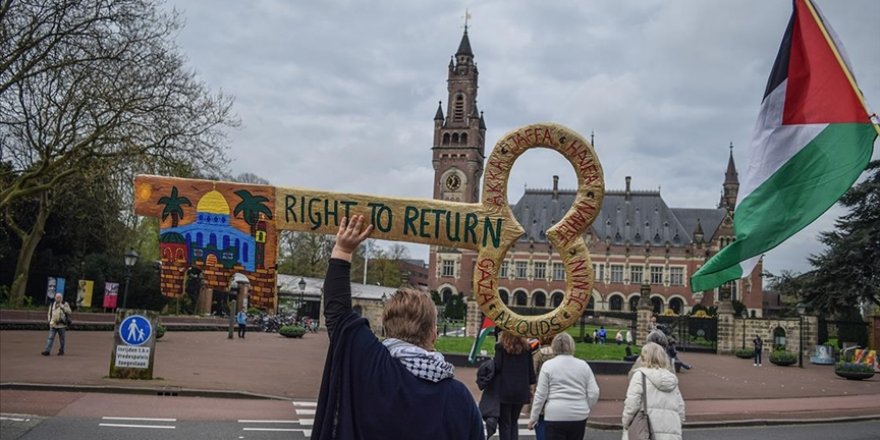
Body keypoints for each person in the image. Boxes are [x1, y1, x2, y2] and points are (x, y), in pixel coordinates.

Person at [312, 215, 484, 440]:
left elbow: (337, 313)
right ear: (434, 334)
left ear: (386, 328)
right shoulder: (459, 397)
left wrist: (342, 250)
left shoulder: (370, 364)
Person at [528, 333, 600, 440]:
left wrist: (534, 417)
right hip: (578, 414)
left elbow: (541, 394)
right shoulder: (583, 365)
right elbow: (594, 392)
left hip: (554, 413)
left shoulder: (548, 366)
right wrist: (586, 406)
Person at [621, 342, 685, 440]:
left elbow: (631, 404)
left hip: (646, 431)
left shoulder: (640, 376)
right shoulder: (672, 380)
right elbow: (680, 408)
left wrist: (626, 422)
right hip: (671, 431)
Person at [494, 331, 536, 440]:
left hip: (505, 390)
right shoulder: (526, 348)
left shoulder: (500, 347)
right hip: (521, 391)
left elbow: (497, 367)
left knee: (505, 423)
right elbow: (531, 372)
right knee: (514, 421)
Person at [531, 337, 556, 440]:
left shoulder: (538, 354)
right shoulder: (557, 354)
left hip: (541, 390)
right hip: (555, 392)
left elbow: (533, 373)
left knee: (540, 421)